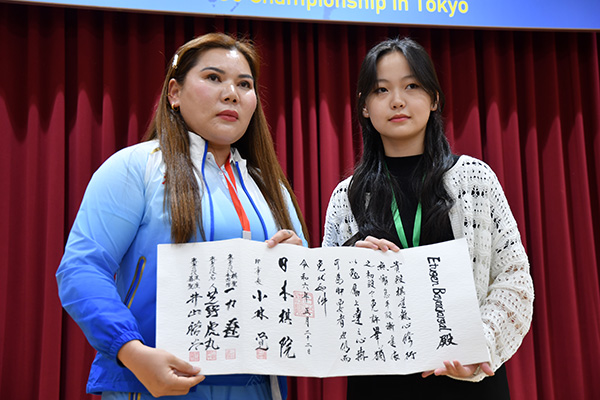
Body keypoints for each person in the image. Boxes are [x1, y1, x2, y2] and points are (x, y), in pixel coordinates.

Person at [57, 32, 309, 400]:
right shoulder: (136, 168)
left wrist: (304, 268)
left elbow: (301, 301)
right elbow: (82, 269)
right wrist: (132, 352)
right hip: (151, 386)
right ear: (174, 93)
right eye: (213, 78)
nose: (232, 94)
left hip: (258, 389)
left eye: (244, 84)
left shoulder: (271, 189)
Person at [322, 37, 534, 399]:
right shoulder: (347, 196)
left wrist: (478, 347)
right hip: (379, 384)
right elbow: (327, 302)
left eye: (412, 86)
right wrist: (346, 265)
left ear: (434, 98)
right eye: (381, 90)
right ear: (364, 107)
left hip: (466, 380)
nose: (397, 100)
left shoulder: (474, 180)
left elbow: (513, 279)